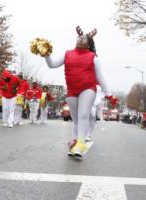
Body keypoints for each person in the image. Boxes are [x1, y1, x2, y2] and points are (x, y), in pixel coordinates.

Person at [44, 26, 117, 157]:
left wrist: (109, 94)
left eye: (84, 38)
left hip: (88, 88)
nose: (81, 39)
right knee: (76, 119)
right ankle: (76, 141)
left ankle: (80, 145)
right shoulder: (67, 54)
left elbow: (100, 77)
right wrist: (46, 55)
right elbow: (52, 64)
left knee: (83, 115)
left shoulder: (93, 57)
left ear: (88, 44)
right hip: (72, 90)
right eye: (80, 37)